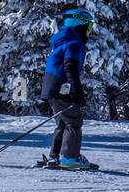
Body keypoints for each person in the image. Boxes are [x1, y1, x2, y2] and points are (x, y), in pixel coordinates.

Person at [41, 9, 95, 169]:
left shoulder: (64, 42)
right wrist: (77, 91)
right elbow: (69, 68)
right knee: (74, 120)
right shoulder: (74, 43)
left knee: (63, 122)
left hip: (52, 88)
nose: (89, 32)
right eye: (89, 27)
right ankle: (69, 157)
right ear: (79, 25)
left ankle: (56, 156)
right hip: (61, 88)